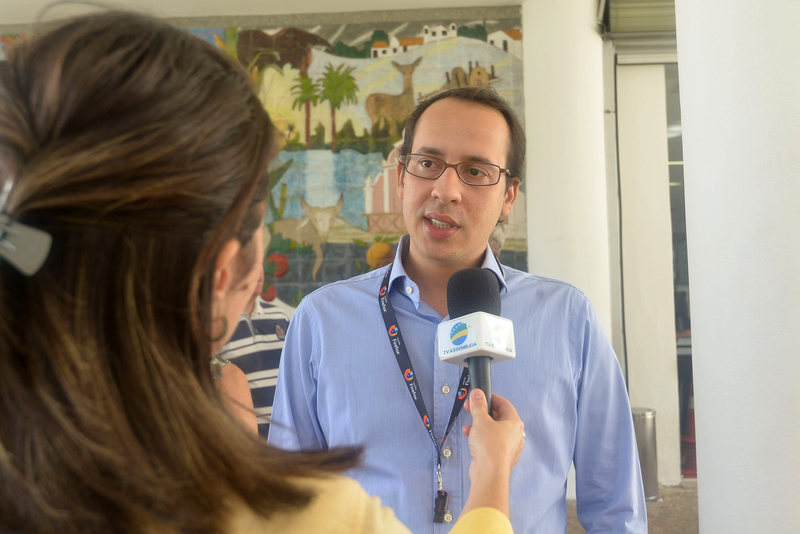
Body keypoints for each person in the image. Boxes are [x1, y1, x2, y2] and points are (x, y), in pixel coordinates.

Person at [0, 11, 526, 534]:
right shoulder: (307, 516)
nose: (447, 190)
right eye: (261, 210)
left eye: (475, 171)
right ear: (222, 276)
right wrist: (493, 473)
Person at [270, 86, 648, 533]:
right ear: (401, 177)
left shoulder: (567, 319)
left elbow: (616, 512)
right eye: (428, 164)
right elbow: (288, 503)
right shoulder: (321, 321)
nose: (446, 190)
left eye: (475, 171)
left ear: (509, 196)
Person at [216, 270, 291, 437]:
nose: (259, 274)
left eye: (261, 267)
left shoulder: (279, 316)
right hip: (245, 439)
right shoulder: (217, 324)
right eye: (253, 266)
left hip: (287, 437)